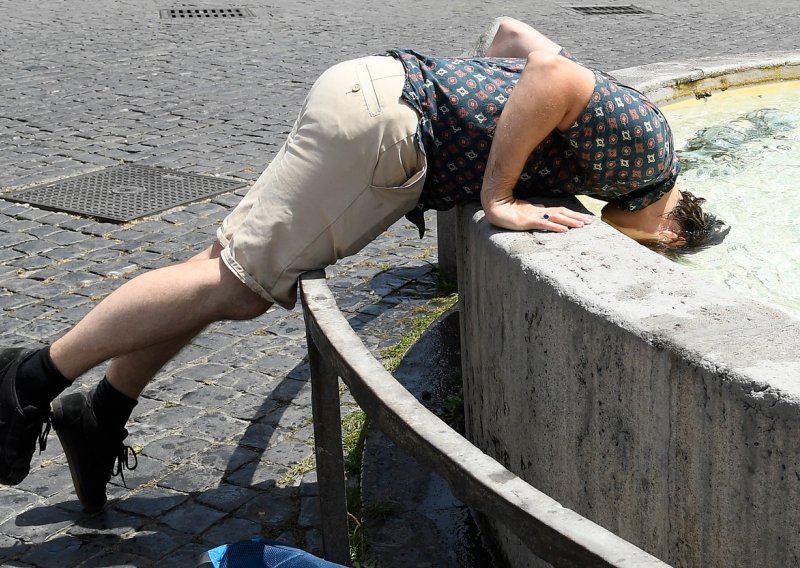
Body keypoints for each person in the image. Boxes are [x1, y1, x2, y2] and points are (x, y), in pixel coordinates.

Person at [0, 18, 725, 513]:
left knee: (222, 269)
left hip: (374, 91)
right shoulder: (650, 154)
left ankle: (101, 414)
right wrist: (497, 194)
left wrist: (469, 90)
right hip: (387, 129)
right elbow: (553, 76)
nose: (632, 242)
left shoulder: (632, 137)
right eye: (652, 247)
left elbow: (513, 32)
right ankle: (28, 379)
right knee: (237, 286)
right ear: (670, 227)